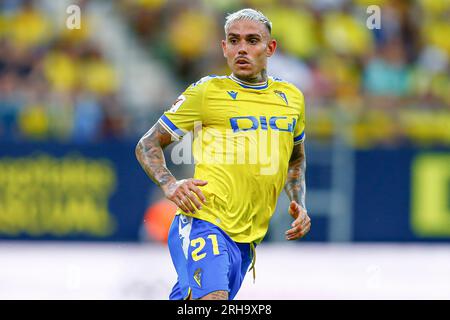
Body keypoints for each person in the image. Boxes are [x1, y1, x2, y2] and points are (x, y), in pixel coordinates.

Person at [135, 8, 311, 300]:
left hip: (246, 240)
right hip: (204, 220)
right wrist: (170, 184)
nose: (242, 48)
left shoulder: (291, 98)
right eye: (234, 40)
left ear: (271, 48)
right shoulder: (207, 92)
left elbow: (296, 158)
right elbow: (147, 144)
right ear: (224, 48)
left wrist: (298, 202)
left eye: (252, 40)